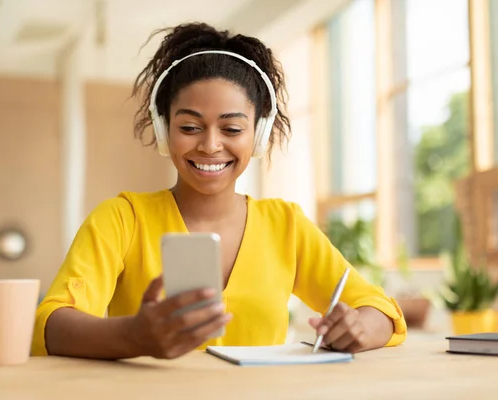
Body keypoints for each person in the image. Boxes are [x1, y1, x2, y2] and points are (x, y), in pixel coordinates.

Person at [31, 22, 407, 360]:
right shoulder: (121, 218)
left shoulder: (286, 224)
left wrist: (359, 328)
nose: (210, 146)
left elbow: (379, 310)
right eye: (190, 127)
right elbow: (52, 322)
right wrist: (133, 336)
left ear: (258, 135)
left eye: (231, 129)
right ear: (164, 132)